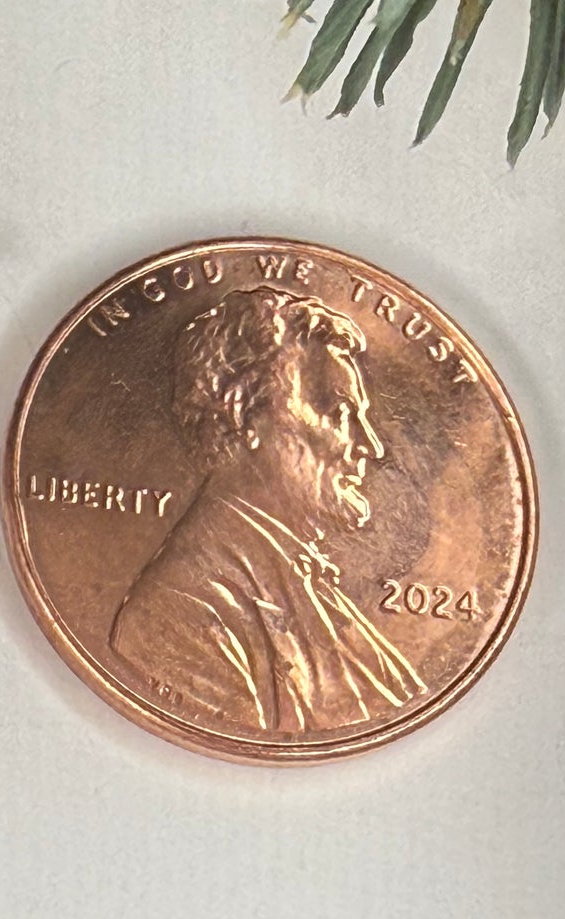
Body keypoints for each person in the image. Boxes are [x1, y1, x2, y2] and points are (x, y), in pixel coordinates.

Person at [110, 285, 424, 735]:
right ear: (246, 416)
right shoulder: (182, 615)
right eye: (339, 413)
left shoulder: (311, 587)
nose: (370, 447)